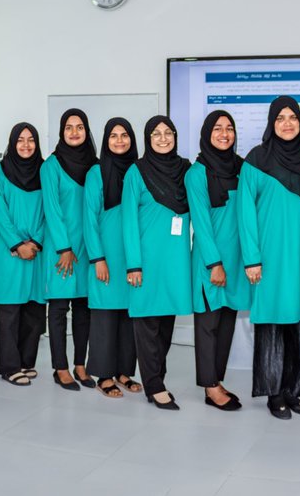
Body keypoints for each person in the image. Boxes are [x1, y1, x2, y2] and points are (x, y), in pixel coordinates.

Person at [240, 97, 300, 420]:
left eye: (292, 117)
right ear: (271, 122)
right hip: (270, 255)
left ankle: (293, 390)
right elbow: (245, 213)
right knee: (272, 322)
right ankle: (273, 392)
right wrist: (252, 258)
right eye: (280, 118)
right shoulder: (256, 159)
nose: (287, 123)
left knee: (299, 322)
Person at [123, 115, 193, 409]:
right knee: (146, 321)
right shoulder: (136, 172)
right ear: (147, 139)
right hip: (147, 260)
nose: (163, 138)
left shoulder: (186, 170)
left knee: (166, 322)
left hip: (176, 259)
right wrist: (133, 264)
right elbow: (128, 221)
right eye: (156, 134)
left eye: (168, 133)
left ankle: (157, 377)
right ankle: (154, 384)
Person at [186, 110, 252, 410]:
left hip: (237, 259)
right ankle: (210, 387)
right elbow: (200, 221)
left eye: (229, 128)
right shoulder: (196, 173)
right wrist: (214, 263)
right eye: (217, 128)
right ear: (206, 133)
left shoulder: (242, 168)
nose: (224, 134)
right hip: (211, 260)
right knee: (208, 323)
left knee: (226, 321)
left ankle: (217, 379)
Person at [83, 117, 142, 398]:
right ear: (106, 140)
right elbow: (89, 220)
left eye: (125, 135)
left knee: (129, 316)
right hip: (107, 256)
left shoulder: (140, 171)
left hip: (132, 256)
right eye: (113, 136)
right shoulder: (96, 173)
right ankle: (104, 375)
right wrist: (98, 258)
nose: (120, 140)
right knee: (105, 316)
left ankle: (123, 372)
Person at [42, 109, 98, 391]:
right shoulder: (51, 165)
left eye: (79, 127)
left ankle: (80, 364)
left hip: (87, 247)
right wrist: (64, 247)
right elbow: (51, 210)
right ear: (61, 132)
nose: (74, 132)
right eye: (68, 127)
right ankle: (60, 367)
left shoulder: (96, 166)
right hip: (60, 247)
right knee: (59, 307)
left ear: (87, 131)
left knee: (83, 308)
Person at [0, 122, 47, 386]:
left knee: (34, 309)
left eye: (31, 140)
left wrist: (35, 241)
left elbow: (50, 211)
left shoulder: (45, 171)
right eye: (20, 140)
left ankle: (26, 361)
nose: (26, 145)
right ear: (12, 143)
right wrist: (17, 244)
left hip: (36, 251)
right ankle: (9, 366)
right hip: (9, 253)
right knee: (9, 309)